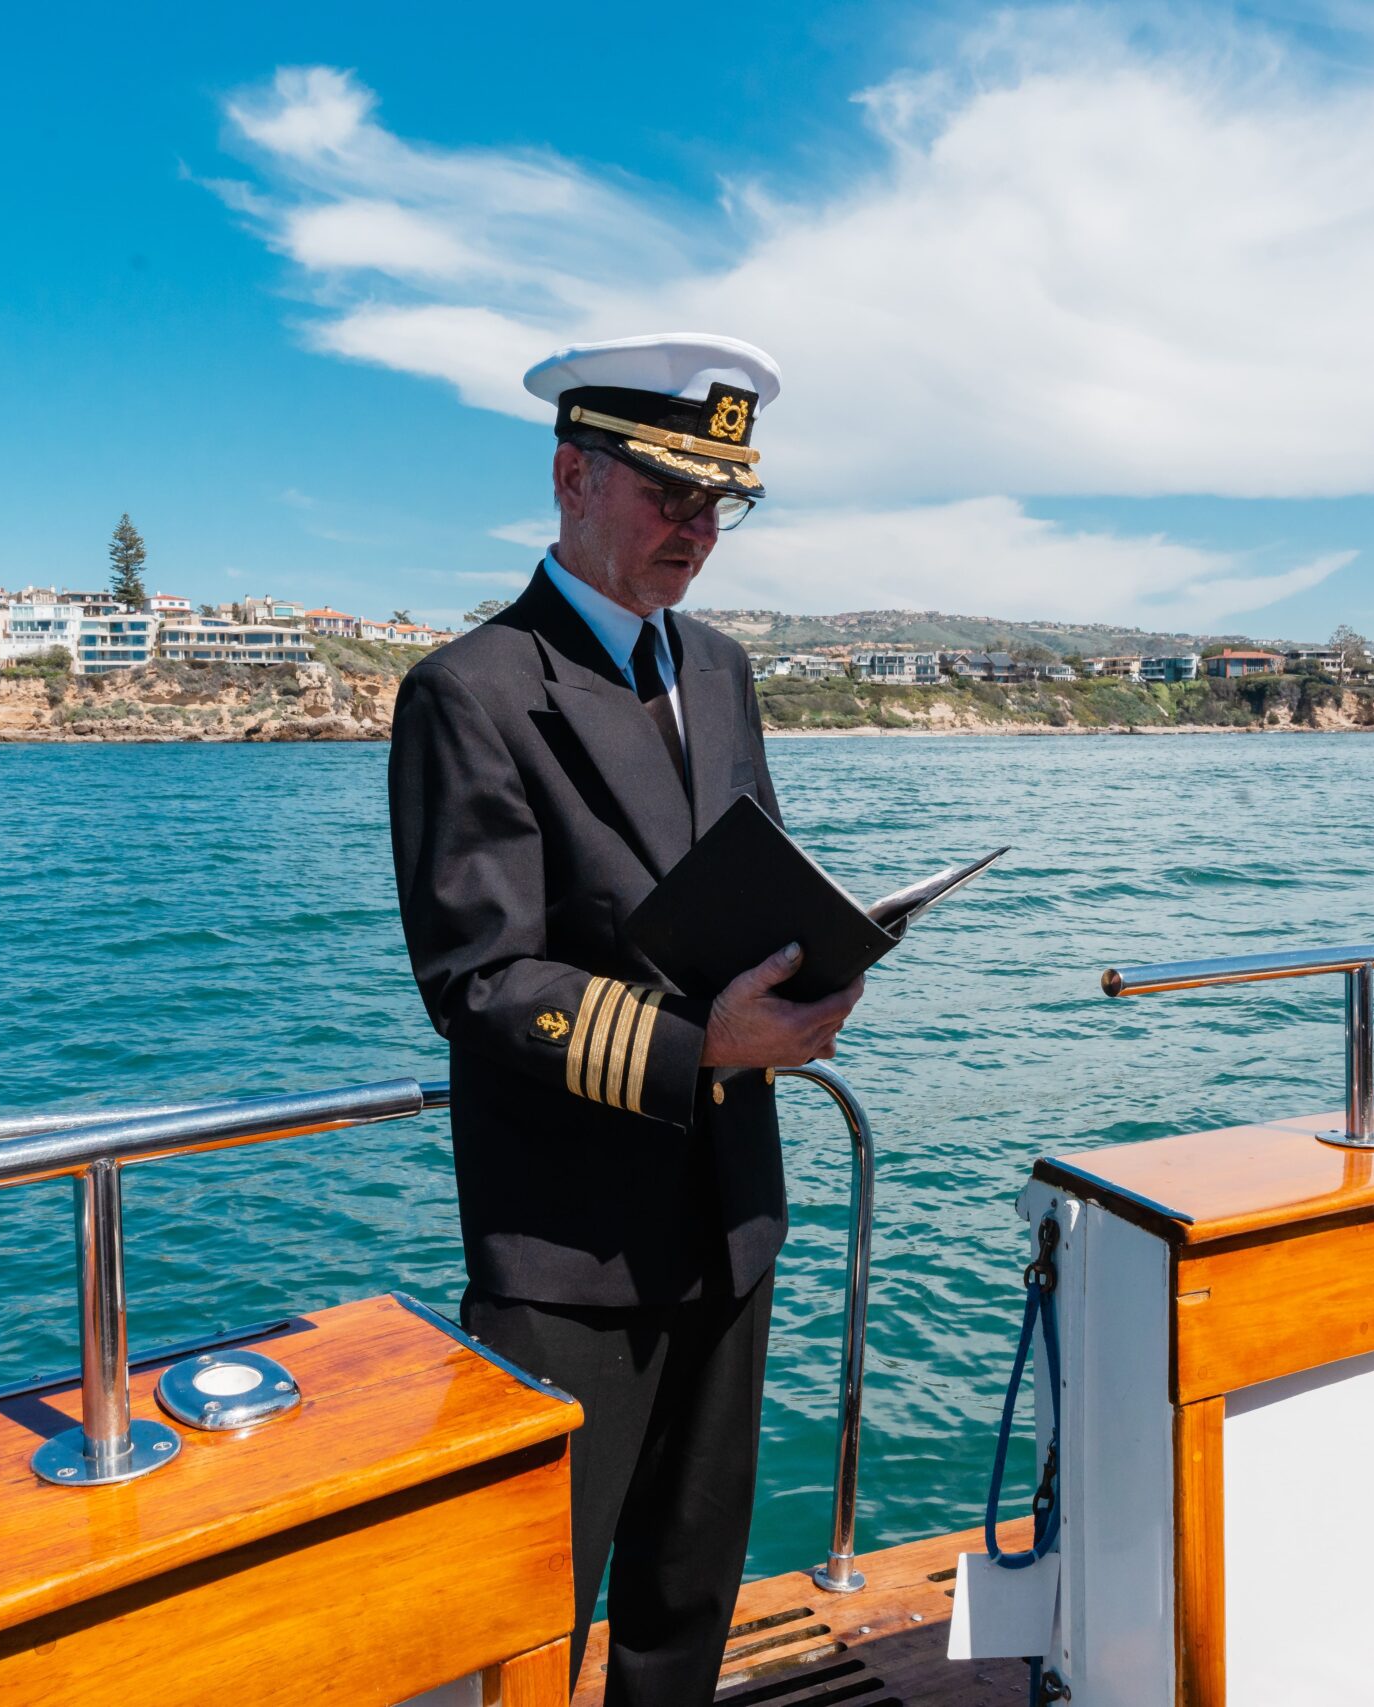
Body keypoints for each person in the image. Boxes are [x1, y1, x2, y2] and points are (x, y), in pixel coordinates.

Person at [388, 333, 865, 1703]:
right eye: (668, 494)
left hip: (731, 1207)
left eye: (720, 504)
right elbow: (477, 976)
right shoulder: (471, 691)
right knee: (537, 1607)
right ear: (570, 477)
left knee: (688, 1591)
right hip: (569, 1243)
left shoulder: (719, 669)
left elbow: (752, 879)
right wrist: (699, 1046)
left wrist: (825, 960)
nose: (696, 531)